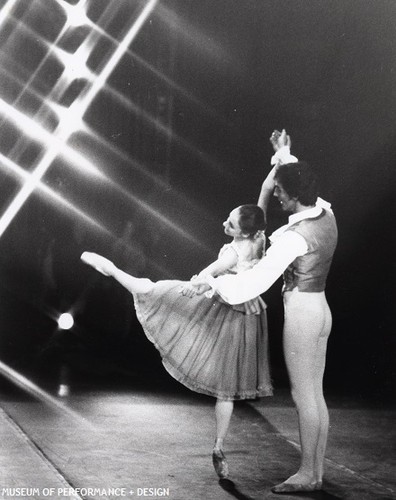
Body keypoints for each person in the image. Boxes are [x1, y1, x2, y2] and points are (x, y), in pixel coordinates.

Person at [190, 131, 338, 493]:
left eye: (282, 195)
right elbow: (301, 184)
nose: (280, 199)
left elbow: (254, 282)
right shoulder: (326, 213)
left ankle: (307, 473)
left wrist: (212, 284)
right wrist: (284, 155)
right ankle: (315, 471)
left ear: (293, 195)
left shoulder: (292, 238)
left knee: (305, 396)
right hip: (322, 309)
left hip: (302, 314)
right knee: (315, 394)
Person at [81, 204, 273, 479]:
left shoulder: (233, 251)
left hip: (222, 305)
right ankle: (219, 444)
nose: (224, 224)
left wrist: (193, 283)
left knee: (156, 291)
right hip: (247, 315)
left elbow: (212, 270)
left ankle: (113, 270)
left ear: (244, 232)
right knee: (226, 388)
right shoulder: (259, 239)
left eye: (230, 225)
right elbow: (261, 203)